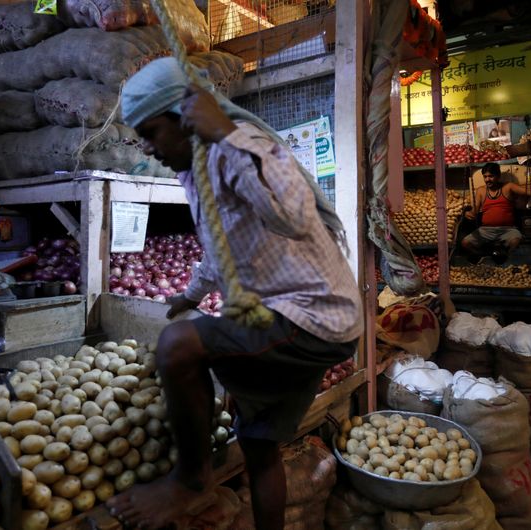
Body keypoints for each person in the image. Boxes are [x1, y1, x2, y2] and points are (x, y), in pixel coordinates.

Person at [107, 57, 362, 530]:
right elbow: (221, 246)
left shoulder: (238, 148)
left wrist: (227, 132)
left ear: (186, 117)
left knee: (178, 346)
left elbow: (293, 215)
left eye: (151, 132)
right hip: (288, 317)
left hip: (315, 319)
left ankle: (190, 478)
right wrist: (192, 294)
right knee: (260, 447)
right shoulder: (195, 169)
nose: (146, 146)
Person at [462, 162, 531, 258]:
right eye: (485, 177)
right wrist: (469, 213)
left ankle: (506, 261)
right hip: (486, 230)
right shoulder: (481, 191)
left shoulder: (508, 187)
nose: (488, 180)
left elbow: (529, 191)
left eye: (491, 176)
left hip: (508, 229)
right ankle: (485, 259)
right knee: (465, 243)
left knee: (516, 241)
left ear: (498, 176)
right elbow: (475, 210)